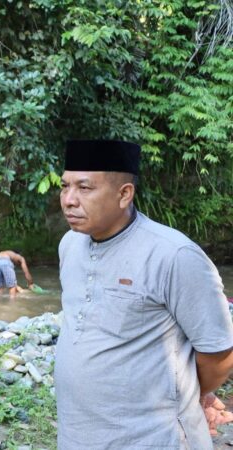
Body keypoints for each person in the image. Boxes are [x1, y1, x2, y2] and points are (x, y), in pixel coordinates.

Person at [55, 139, 233, 448]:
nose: (69, 200)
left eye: (84, 188)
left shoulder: (174, 256)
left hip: (152, 439)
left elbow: (219, 353)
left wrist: (187, 396)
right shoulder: (70, 245)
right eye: (64, 186)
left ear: (124, 194)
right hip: (78, 435)